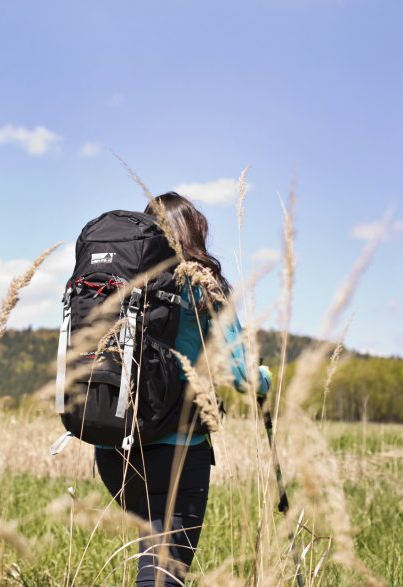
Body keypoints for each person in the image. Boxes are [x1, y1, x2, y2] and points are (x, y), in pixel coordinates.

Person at [93, 192, 271, 586]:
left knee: (153, 554)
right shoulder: (202, 283)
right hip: (175, 449)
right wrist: (265, 378)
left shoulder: (124, 279)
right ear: (194, 234)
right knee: (162, 573)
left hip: (114, 448)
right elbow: (241, 373)